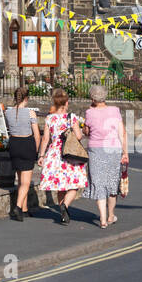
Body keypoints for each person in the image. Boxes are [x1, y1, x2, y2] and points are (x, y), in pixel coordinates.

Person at [37, 88, 87, 223]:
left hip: (54, 154)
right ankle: (65, 205)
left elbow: (45, 139)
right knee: (75, 184)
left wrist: (41, 156)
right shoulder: (72, 117)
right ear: (66, 103)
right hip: (69, 154)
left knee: (60, 186)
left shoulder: (50, 118)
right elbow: (78, 136)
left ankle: (63, 213)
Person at [81, 84, 127, 228]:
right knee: (112, 183)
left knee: (99, 183)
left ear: (92, 98)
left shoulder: (89, 112)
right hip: (113, 149)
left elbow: (87, 132)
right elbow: (122, 133)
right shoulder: (115, 111)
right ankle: (111, 215)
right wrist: (125, 153)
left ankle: (102, 219)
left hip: (96, 150)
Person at [3, 85, 41, 221]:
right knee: (26, 182)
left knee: (20, 180)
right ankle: (18, 207)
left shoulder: (7, 112)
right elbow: (37, 135)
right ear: (27, 98)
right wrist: (37, 151)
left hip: (14, 144)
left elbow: (10, 128)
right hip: (27, 145)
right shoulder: (31, 113)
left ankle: (24, 209)